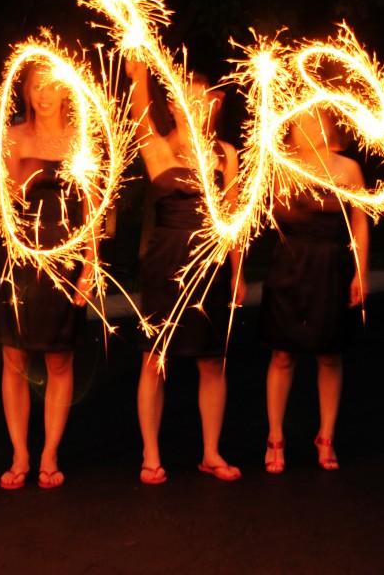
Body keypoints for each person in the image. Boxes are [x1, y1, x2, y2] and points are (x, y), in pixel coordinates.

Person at [126, 62, 247, 484]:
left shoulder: (224, 155)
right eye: (182, 99)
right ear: (173, 106)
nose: (190, 106)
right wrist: (137, 75)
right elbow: (139, 110)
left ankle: (211, 452)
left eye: (199, 99)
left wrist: (237, 273)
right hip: (164, 266)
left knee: (213, 363)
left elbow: (233, 219)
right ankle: (151, 455)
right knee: (153, 360)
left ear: (210, 106)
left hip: (209, 269)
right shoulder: (157, 149)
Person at [0, 64, 95, 491]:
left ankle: (50, 452)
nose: (44, 95)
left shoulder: (81, 139)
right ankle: (20, 453)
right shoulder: (12, 137)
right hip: (20, 260)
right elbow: (5, 202)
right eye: (36, 87)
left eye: (52, 86)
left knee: (59, 358)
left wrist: (90, 266)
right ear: (26, 93)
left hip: (67, 260)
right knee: (15, 359)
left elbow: (93, 208)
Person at [261, 108, 369, 473]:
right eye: (302, 121)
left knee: (330, 355)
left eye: (317, 120)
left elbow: (359, 223)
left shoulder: (347, 169)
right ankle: (275, 438)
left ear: (329, 127)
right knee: (282, 355)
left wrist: (360, 273)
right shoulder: (280, 165)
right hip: (288, 267)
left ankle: (326, 437)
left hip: (330, 268)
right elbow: (268, 212)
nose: (309, 125)